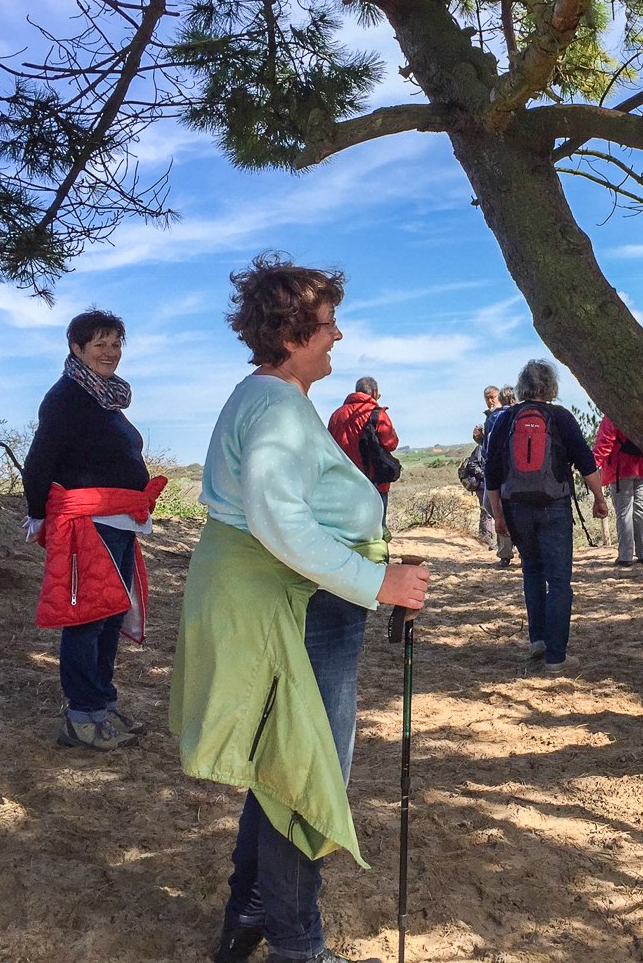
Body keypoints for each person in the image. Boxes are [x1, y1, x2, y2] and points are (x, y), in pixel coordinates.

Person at [169, 256, 431, 963]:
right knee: (303, 776)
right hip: (300, 605)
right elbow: (279, 519)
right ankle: (297, 948)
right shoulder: (278, 406)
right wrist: (377, 585)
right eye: (327, 324)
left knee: (283, 764)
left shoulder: (270, 398)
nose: (338, 336)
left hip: (295, 599)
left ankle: (251, 913)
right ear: (291, 334)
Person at [22, 308, 165, 752]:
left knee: (109, 616)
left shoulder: (105, 397)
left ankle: (101, 705)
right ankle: (83, 716)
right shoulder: (67, 396)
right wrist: (37, 512)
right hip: (88, 522)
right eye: (100, 343)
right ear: (76, 348)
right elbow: (40, 459)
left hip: (119, 521)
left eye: (116, 343)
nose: (110, 351)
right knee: (87, 617)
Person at [485, 360, 608, 675]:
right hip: (554, 506)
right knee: (559, 580)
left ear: (523, 387)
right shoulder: (561, 418)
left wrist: (498, 516)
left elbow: (493, 473)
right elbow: (586, 462)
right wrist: (599, 498)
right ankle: (556, 656)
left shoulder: (505, 419)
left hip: (515, 507)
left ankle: (537, 640)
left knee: (532, 572)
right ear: (550, 388)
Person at [327, 375, 399, 519]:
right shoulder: (377, 413)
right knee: (377, 529)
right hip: (374, 481)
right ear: (373, 392)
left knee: (348, 527)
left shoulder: (336, 415)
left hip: (345, 481)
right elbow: (391, 443)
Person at [592, 417, 643, 566]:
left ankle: (625, 555)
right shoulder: (637, 412)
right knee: (641, 508)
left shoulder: (612, 415)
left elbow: (605, 442)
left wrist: (591, 465)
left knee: (624, 511)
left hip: (620, 469)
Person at [481, 385, 517, 568]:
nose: (490, 400)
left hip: (497, 472)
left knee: (495, 508)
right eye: (487, 397)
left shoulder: (495, 418)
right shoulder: (518, 415)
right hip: (516, 473)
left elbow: (489, 449)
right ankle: (516, 549)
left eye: (493, 397)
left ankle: (505, 552)